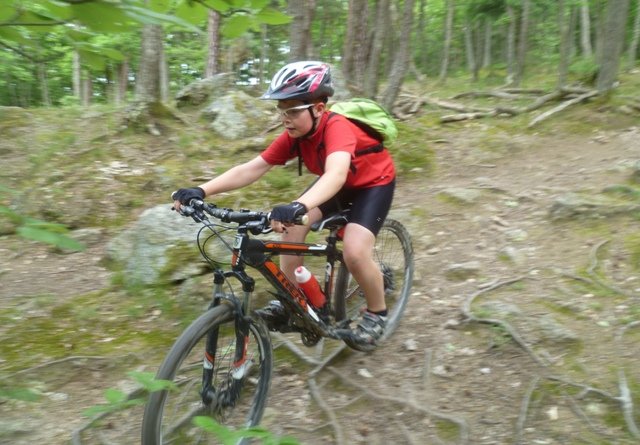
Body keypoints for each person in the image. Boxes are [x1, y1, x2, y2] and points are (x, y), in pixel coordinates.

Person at [172, 61, 396, 346]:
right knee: (290, 231)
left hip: (372, 184)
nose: (284, 118)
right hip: (335, 185)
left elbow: (337, 174)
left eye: (292, 111)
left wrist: (299, 206)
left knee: (354, 252)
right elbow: (251, 168)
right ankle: (296, 299)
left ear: (318, 109)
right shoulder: (296, 135)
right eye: (281, 111)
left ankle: (377, 312)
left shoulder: (337, 127)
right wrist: (201, 190)